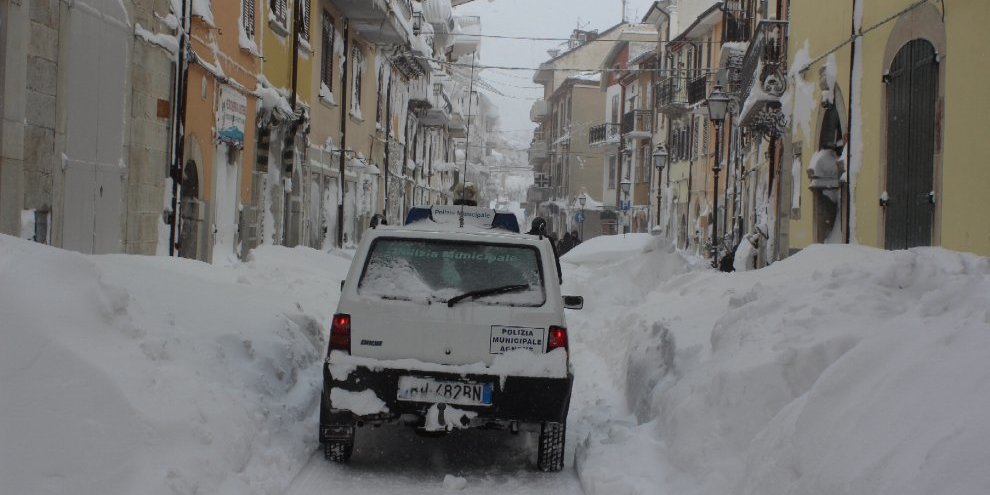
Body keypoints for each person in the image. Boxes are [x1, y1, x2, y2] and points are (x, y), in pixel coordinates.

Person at [526, 217, 562, 282]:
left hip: (525, 273)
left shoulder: (525, 237)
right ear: (543, 227)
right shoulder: (547, 239)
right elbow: (555, 259)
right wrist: (559, 275)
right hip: (545, 275)